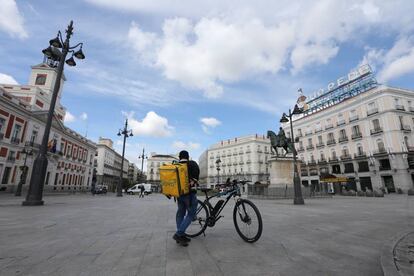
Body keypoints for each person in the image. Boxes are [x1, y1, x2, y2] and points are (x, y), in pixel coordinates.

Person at [173, 150, 200, 247]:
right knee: (191, 214)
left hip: (179, 195)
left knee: (180, 213)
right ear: (188, 157)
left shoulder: (175, 166)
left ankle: (181, 235)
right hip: (190, 194)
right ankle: (179, 234)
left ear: (180, 157)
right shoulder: (192, 164)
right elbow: (196, 177)